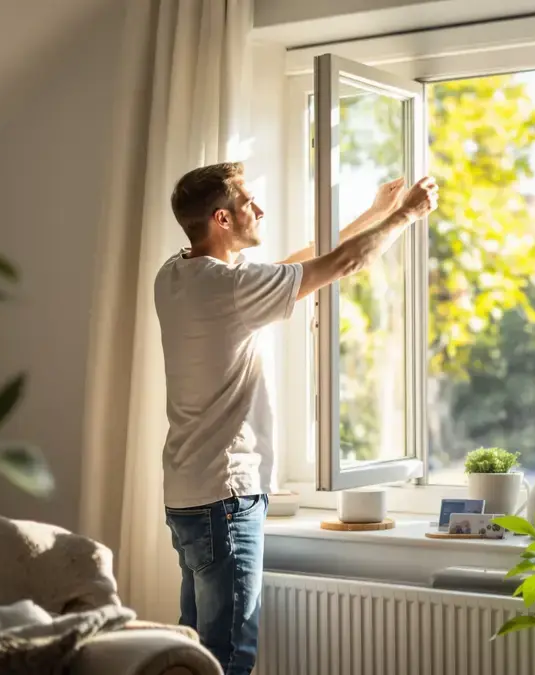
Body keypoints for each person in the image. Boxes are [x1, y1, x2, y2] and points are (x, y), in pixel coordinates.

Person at [154, 161, 438, 674]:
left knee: (193, 653)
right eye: (248, 204)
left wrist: (374, 212)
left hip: (188, 495)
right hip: (226, 496)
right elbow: (343, 265)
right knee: (227, 658)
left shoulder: (175, 275)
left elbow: (298, 266)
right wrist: (406, 217)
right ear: (222, 218)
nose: (259, 210)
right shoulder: (230, 289)